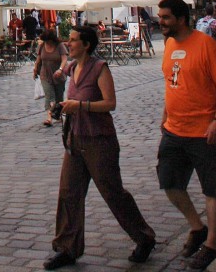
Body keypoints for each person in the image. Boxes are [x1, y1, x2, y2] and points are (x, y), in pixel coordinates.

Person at [43, 26, 156, 269]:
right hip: (75, 138)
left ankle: (144, 237)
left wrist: (80, 106)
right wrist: (62, 107)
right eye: (69, 40)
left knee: (113, 193)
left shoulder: (99, 68)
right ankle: (67, 248)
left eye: (73, 41)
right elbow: (72, 101)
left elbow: (110, 103)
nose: (69, 44)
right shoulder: (72, 68)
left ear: (86, 45)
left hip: (99, 141)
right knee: (68, 193)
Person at [157, 0, 216, 270]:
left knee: (212, 189)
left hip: (203, 131)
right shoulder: (169, 44)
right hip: (174, 129)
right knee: (170, 184)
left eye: (165, 17)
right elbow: (171, 81)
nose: (160, 21)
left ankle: (211, 244)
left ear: (181, 19)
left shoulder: (205, 44)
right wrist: (165, 116)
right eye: (160, 17)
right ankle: (196, 227)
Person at [33, 28, 68, 126]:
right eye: (46, 41)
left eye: (49, 41)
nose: (47, 43)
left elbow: (64, 59)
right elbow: (38, 59)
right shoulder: (42, 46)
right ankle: (49, 118)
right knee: (50, 96)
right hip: (45, 75)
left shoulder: (60, 46)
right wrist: (35, 69)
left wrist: (60, 69)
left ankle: (58, 115)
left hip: (59, 75)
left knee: (59, 98)